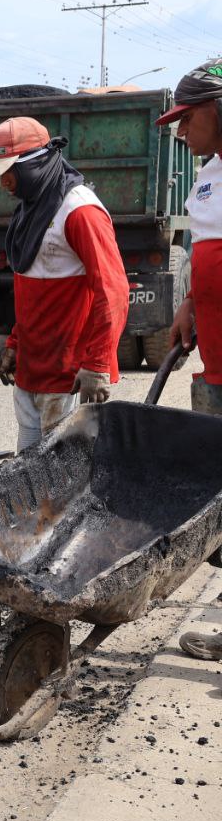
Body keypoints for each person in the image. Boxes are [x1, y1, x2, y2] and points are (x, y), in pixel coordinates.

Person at [0, 116, 128, 450]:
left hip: (70, 376)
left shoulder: (80, 211)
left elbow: (113, 291)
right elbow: (32, 284)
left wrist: (97, 364)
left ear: (34, 165)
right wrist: (14, 342)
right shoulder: (31, 210)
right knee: (27, 470)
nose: (4, 184)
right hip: (32, 370)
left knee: (64, 479)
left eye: (9, 173)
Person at [158, 59, 222, 662]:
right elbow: (204, 251)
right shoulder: (207, 176)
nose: (180, 131)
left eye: (187, 117)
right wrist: (189, 306)